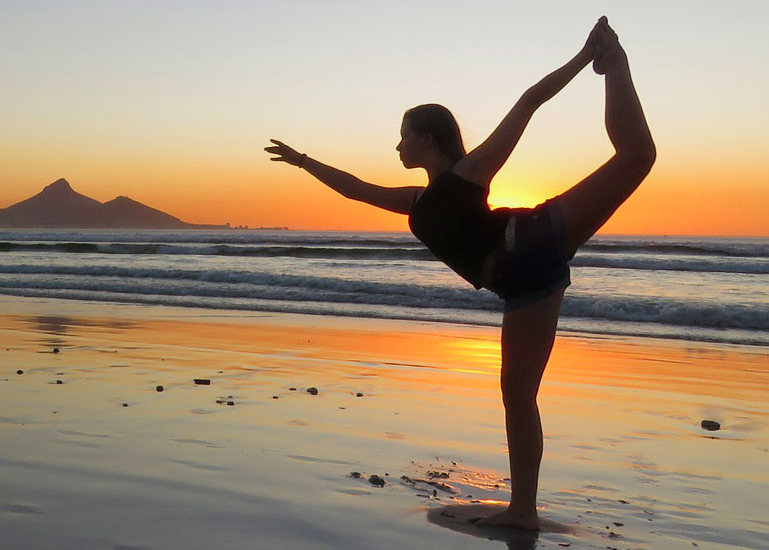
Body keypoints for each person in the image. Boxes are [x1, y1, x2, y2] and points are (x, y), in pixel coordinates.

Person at [264, 17, 654, 530]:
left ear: (426, 139)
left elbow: (527, 103)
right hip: (521, 282)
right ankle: (524, 511)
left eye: (403, 137)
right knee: (517, 394)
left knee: (637, 157)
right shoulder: (417, 200)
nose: (397, 147)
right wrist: (303, 161)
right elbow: (354, 188)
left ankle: (613, 61)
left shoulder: (469, 173)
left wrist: (585, 60)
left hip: (533, 241)